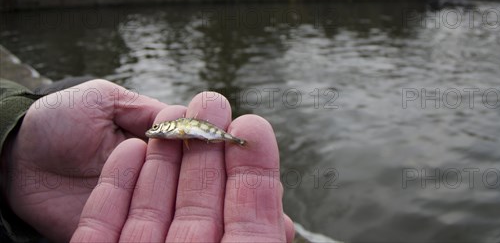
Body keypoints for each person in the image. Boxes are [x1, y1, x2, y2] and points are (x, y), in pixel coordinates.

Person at [0, 78, 294, 242]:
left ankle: (237, 141)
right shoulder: (165, 132)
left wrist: (12, 144)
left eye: (156, 130)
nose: (153, 132)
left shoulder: (172, 129)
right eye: (155, 131)